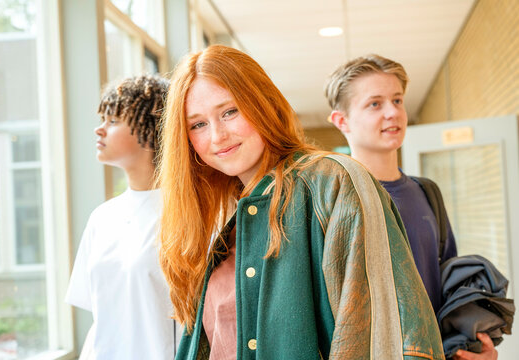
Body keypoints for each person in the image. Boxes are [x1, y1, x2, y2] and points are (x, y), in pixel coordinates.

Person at [158, 44, 445, 360]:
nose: (217, 136)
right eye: (198, 124)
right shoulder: (218, 215)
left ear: (263, 103)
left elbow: (386, 332)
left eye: (230, 112)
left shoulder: (332, 180)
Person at [325, 54, 498, 360]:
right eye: (375, 104)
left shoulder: (426, 191)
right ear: (342, 121)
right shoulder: (332, 202)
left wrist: (470, 348)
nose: (392, 112)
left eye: (398, 100)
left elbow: (447, 288)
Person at [65, 74, 178, 360]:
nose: (99, 130)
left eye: (112, 121)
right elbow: (103, 321)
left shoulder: (191, 215)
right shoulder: (102, 218)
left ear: (153, 127)